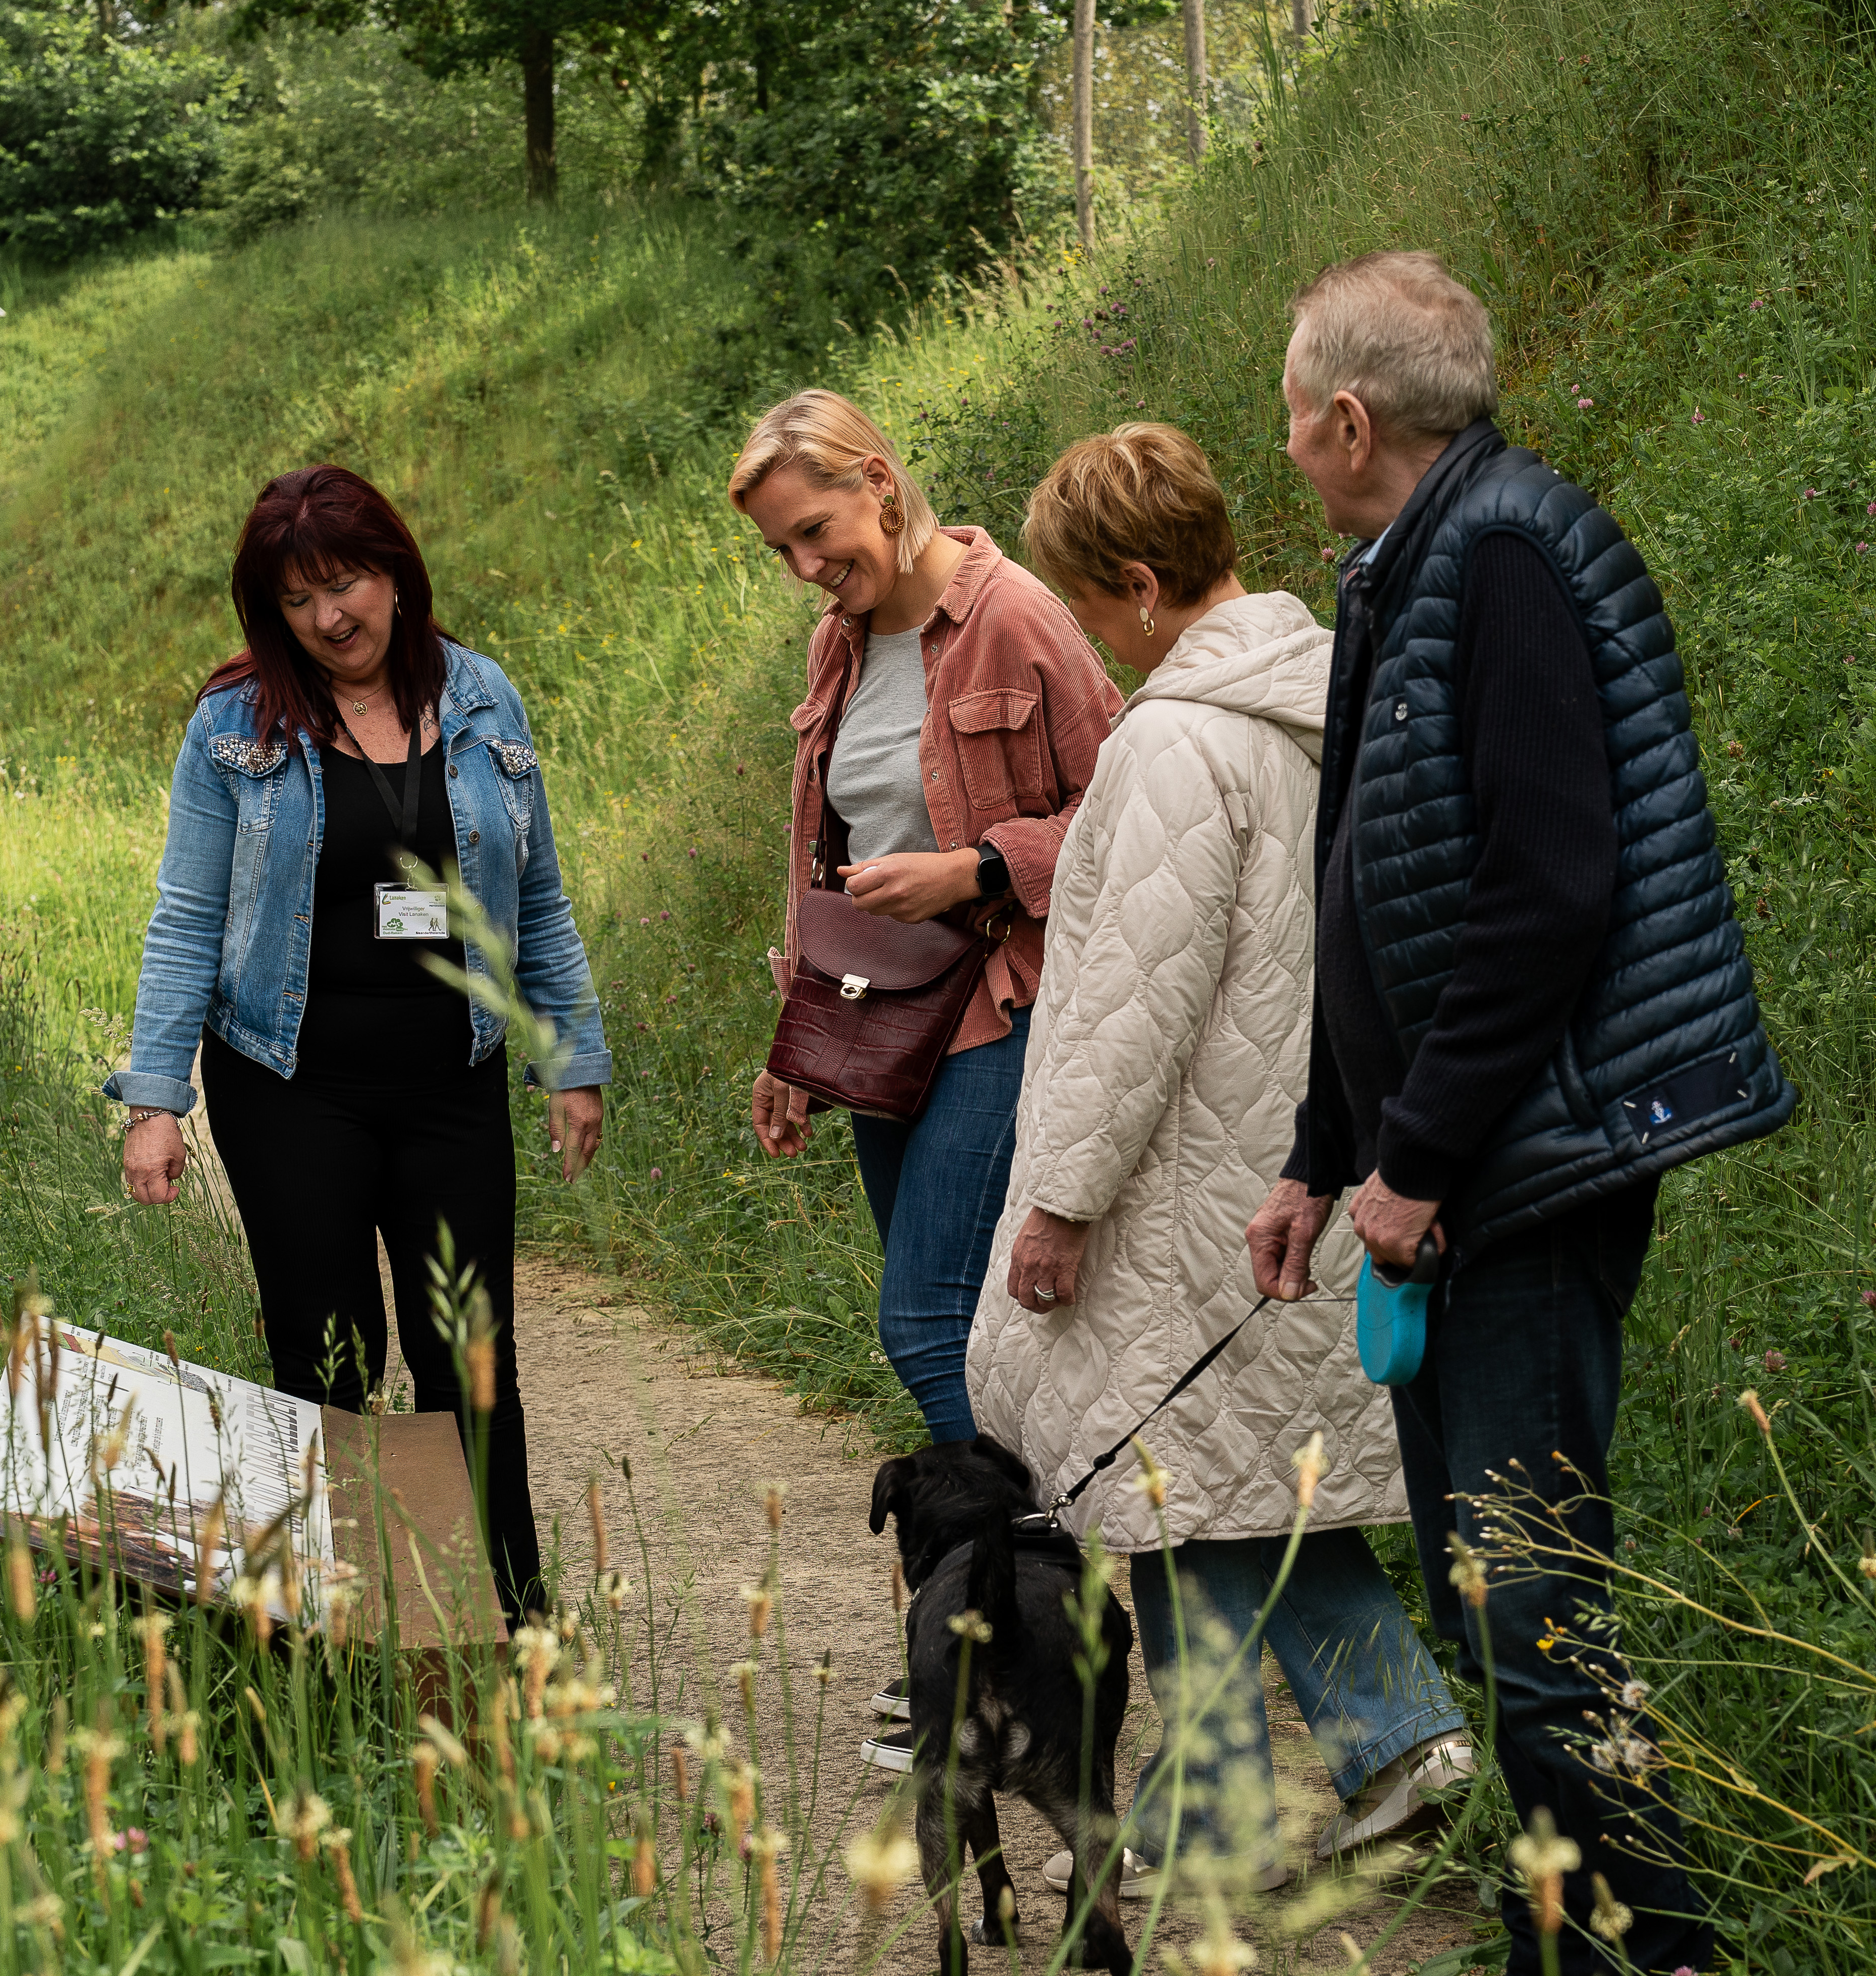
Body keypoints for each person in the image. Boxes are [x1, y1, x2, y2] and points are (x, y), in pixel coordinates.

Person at [1243, 254, 1796, 1976]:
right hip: (1444, 1168)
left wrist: (1417, 1160)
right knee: (1487, 1609)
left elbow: (1549, 894)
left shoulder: (1506, 562)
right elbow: (1372, 900)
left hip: (1532, 1173)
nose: (1283, 432)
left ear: (1340, 419)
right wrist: (1326, 1148)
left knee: (1538, 1609)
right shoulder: (1408, 565)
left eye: (1287, 404)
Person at [964, 422, 1474, 1888]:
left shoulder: (1177, 741)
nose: (1090, 641)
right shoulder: (1333, 693)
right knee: (1232, 1478)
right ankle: (1390, 1731)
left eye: (1088, 606)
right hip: (1298, 1154)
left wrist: (1060, 1201)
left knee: (1166, 1495)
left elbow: (1132, 999)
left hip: (1187, 1183)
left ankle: (1220, 1818)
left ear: (1135, 582)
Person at [109, 463, 609, 1625]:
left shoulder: (484, 700)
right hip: (289, 1085)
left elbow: (535, 898)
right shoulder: (234, 727)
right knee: (329, 1358)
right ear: (267, 613)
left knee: (471, 1356)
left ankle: (509, 1621)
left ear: (396, 572)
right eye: (298, 600)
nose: (330, 617)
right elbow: (187, 912)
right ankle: (353, 1623)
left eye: (346, 583)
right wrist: (153, 1098)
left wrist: (570, 1057)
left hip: (452, 1080)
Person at [729, 390, 1119, 1765]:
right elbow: (822, 845)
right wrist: (793, 1031)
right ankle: (989, 1637)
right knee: (965, 1345)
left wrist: (976, 868)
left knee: (922, 1324)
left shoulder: (1014, 620)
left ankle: (1053, 1612)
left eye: (816, 533)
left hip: (999, 1010)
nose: (804, 569)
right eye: (781, 550)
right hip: (877, 1018)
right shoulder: (841, 645)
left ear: (880, 484)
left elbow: (1128, 807)